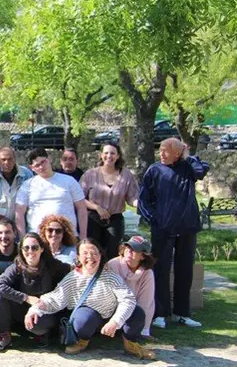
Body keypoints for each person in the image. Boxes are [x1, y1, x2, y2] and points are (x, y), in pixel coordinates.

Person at [28, 238, 154, 360]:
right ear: (78, 257)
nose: (90, 257)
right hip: (89, 317)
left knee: (137, 313)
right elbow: (54, 298)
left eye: (94, 253)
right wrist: (34, 310)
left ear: (100, 255)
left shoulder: (110, 276)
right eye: (85, 253)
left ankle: (130, 343)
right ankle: (82, 341)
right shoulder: (72, 278)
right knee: (83, 320)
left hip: (110, 316)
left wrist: (115, 321)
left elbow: (128, 299)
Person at [138, 138, 209, 330]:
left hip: (187, 227)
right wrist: (155, 219)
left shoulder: (188, 168)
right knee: (159, 270)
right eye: (160, 150)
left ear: (177, 154)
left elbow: (201, 171)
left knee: (184, 270)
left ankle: (182, 313)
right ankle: (160, 313)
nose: (161, 154)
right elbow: (143, 200)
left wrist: (188, 156)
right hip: (162, 229)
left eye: (166, 151)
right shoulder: (154, 170)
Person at [0, 232, 70, 352]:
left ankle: (41, 334)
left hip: (45, 311)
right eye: (26, 248)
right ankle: (5, 335)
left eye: (34, 247)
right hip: (21, 309)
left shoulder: (52, 265)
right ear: (21, 250)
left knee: (38, 326)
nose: (30, 251)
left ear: (42, 249)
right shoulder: (17, 266)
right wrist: (26, 298)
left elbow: (73, 271)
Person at [80, 142, 140, 258]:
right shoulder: (90, 174)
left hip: (115, 220)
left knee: (113, 253)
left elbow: (132, 198)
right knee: (93, 252)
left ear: (118, 156)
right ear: (101, 155)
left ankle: (111, 276)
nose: (109, 156)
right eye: (106, 153)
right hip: (93, 219)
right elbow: (79, 198)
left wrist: (142, 205)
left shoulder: (126, 175)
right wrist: (97, 207)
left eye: (113, 153)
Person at [15, 148, 87, 239]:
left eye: (43, 162)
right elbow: (19, 213)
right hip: (38, 238)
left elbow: (81, 208)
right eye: (37, 165)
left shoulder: (69, 181)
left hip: (68, 236)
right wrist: (23, 238)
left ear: (49, 159)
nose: (41, 167)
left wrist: (83, 236)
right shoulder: (27, 186)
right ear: (31, 168)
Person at [107, 235, 156, 339]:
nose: (129, 250)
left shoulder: (147, 273)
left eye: (134, 249)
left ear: (143, 256)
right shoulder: (112, 265)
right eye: (128, 247)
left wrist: (145, 330)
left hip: (134, 311)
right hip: (112, 309)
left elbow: (146, 302)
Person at [0, 147, 33, 231]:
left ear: (15, 159)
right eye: (3, 159)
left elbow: (33, 197)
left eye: (10, 159)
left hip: (22, 224)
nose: (7, 162)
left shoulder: (26, 175)